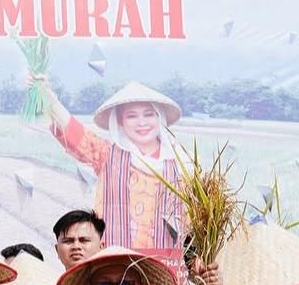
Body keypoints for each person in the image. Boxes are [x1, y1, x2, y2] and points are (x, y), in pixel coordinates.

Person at [35, 80, 186, 251]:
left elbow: (193, 220)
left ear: (160, 117)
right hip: (114, 263)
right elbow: (75, 133)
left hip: (164, 265)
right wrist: (49, 98)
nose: (141, 122)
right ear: (120, 121)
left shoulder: (181, 164)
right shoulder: (107, 154)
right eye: (131, 116)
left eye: (149, 114)